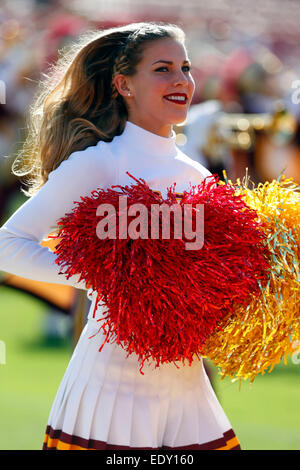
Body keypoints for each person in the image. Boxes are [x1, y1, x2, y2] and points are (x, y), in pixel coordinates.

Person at [0, 22, 241, 450]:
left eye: (185, 68)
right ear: (124, 84)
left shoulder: (198, 177)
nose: (181, 80)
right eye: (163, 69)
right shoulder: (99, 164)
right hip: (110, 382)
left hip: (187, 383)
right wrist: (103, 275)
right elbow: (8, 244)